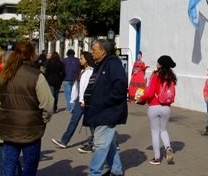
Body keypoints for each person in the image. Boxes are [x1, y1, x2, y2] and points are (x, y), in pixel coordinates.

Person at [0, 40, 54, 176]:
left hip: (9, 126)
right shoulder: (36, 76)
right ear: (31, 55)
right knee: (30, 165)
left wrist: (3, 112)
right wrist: (43, 119)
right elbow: (48, 104)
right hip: (31, 128)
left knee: (8, 164)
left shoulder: (3, 75)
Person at [83, 38, 127, 176]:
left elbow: (120, 87)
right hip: (98, 111)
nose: (92, 53)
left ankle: (95, 172)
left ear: (103, 51)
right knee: (109, 143)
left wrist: (103, 101)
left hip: (107, 112)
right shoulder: (100, 65)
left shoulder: (112, 64)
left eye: (94, 50)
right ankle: (116, 170)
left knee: (100, 145)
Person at [137, 55, 177, 165]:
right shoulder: (171, 77)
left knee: (155, 132)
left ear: (161, 64)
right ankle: (168, 147)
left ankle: (157, 158)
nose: (156, 64)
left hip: (154, 107)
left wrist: (141, 98)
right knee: (163, 130)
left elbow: (150, 93)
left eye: (158, 62)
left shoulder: (155, 76)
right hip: (166, 108)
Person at [51, 51, 95, 149]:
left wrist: (83, 100)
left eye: (82, 58)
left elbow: (86, 87)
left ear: (87, 60)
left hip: (86, 100)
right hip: (79, 100)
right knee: (74, 121)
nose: (80, 60)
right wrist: (73, 99)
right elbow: (77, 86)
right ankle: (64, 141)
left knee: (91, 122)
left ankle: (103, 141)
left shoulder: (90, 72)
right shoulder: (82, 71)